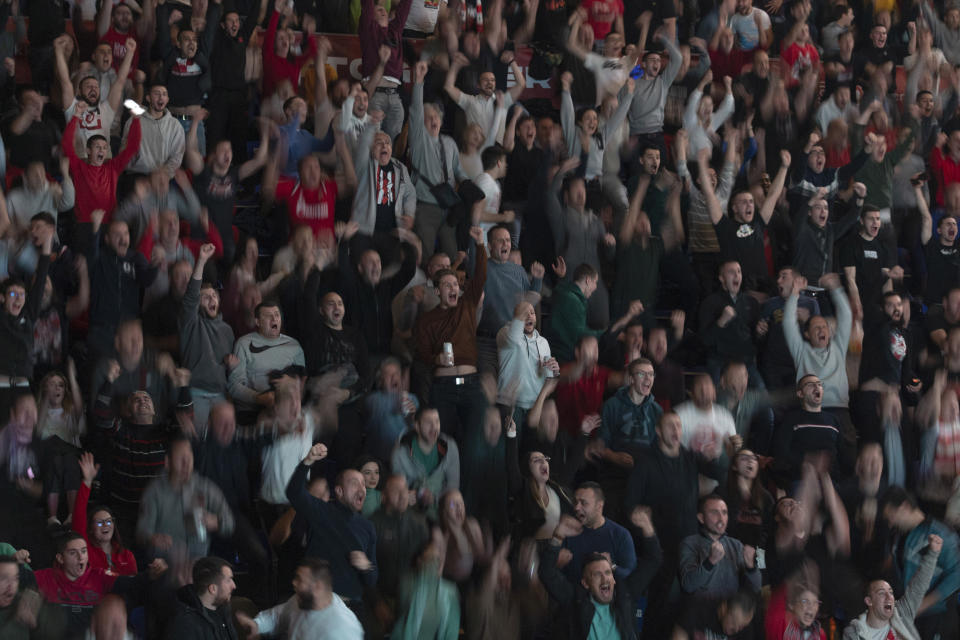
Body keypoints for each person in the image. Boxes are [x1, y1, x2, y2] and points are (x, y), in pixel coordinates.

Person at [538, 507, 662, 640]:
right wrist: (558, 535)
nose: (605, 578)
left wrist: (647, 527)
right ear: (585, 583)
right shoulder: (575, 600)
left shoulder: (625, 594)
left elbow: (653, 560)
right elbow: (547, 572)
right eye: (597, 574)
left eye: (608, 573)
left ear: (614, 579)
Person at [285, 443, 378, 607]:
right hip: (320, 603)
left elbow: (372, 579)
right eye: (355, 483)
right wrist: (308, 461)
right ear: (339, 491)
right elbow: (294, 492)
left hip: (351, 607)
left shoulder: (368, 527)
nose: (362, 488)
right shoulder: (322, 511)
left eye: (363, 484)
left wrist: (366, 566)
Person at [136, 435, 235, 561]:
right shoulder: (154, 491)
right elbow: (142, 532)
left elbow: (230, 522)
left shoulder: (204, 487)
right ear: (168, 462)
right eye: (181, 459)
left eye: (189, 458)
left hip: (198, 561)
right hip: (166, 561)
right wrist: (152, 539)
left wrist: (217, 522)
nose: (186, 464)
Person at [881, 486, 960, 638]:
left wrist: (923, 604)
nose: (890, 523)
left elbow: (957, 575)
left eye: (891, 516)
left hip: (936, 617)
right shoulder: (898, 536)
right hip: (911, 615)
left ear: (904, 507)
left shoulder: (941, 534)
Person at [843, 534, 943, 640]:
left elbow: (918, 586)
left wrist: (933, 554)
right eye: (881, 593)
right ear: (869, 601)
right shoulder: (854, 633)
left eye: (890, 592)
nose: (889, 597)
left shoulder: (902, 613)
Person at [236, 557, 363, 640]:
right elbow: (276, 617)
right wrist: (257, 625)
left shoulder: (343, 629)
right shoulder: (300, 600)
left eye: (300, 580)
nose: (294, 583)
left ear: (318, 586)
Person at [228, 301, 305, 420]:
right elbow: (234, 386)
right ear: (257, 322)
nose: (274, 319)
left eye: (277, 315)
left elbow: (303, 382)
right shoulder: (243, 343)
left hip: (286, 411)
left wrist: (293, 383)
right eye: (268, 316)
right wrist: (259, 398)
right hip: (252, 411)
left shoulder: (294, 345)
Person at [678, 495, 761, 599]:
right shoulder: (690, 543)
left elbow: (756, 588)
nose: (721, 518)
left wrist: (751, 567)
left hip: (731, 611)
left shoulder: (736, 545)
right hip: (701, 610)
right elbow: (688, 585)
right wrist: (711, 561)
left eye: (724, 512)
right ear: (701, 518)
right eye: (714, 512)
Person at [73, 452, 137, 576]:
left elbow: (134, 587)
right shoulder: (86, 551)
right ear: (90, 529)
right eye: (100, 522)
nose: (105, 525)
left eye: (108, 521)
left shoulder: (126, 556)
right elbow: (79, 515)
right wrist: (87, 481)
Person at [391, 406, 460, 516]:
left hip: (441, 507)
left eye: (437, 421)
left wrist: (435, 498)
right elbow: (398, 489)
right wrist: (412, 495)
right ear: (417, 426)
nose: (434, 427)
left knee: (455, 502)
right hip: (411, 509)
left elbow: (453, 485)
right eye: (428, 422)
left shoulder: (450, 446)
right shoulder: (401, 452)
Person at [165, 556, 238, 640]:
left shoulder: (223, 611)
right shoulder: (185, 624)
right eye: (228, 580)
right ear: (213, 589)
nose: (234, 586)